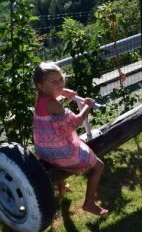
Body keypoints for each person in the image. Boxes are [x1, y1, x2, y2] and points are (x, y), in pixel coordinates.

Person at [32, 62, 108, 216]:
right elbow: (75, 123)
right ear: (41, 86)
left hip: (43, 149)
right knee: (99, 165)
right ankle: (89, 203)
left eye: (61, 79)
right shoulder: (53, 104)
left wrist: (64, 92)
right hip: (61, 153)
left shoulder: (41, 98)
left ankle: (61, 186)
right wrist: (87, 105)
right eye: (54, 82)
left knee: (64, 144)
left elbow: (55, 93)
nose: (60, 83)